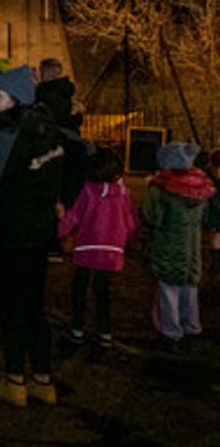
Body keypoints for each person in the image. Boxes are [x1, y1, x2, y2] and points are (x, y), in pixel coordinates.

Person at [0, 65, 65, 407]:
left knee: (12, 306)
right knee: (35, 306)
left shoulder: (7, 135)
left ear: (15, 98)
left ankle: (14, 380)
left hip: (11, 230)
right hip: (40, 228)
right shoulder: (48, 130)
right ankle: (43, 379)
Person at [57, 147, 137, 346]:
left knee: (80, 290)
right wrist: (126, 239)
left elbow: (75, 216)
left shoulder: (89, 190)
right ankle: (104, 331)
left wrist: (57, 229)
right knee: (103, 292)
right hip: (112, 250)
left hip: (87, 247)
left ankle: (77, 329)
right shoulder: (124, 194)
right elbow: (131, 222)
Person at [142, 141, 215, 349]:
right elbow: (206, 217)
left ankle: (171, 332)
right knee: (189, 289)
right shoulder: (202, 187)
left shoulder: (161, 189)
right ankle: (191, 326)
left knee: (168, 291)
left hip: (167, 246)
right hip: (192, 248)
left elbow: (151, 217)